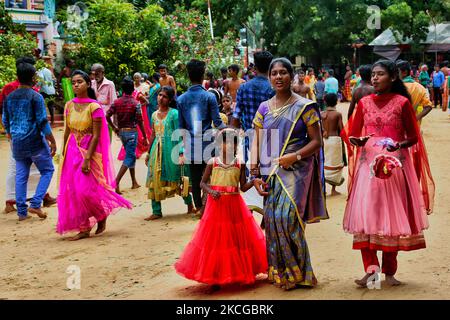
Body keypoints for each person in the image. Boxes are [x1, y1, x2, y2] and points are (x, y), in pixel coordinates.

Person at [342, 60, 434, 287]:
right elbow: (353, 134)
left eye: (379, 74)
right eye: (372, 74)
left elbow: (413, 137)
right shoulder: (363, 103)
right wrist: (357, 140)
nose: (374, 78)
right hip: (368, 168)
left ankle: (390, 272)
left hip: (394, 166)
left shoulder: (403, 103)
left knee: (392, 218)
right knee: (366, 217)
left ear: (392, 77)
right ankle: (371, 271)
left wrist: (398, 145)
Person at [251, 58, 328, 290]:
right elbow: (257, 142)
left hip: (298, 170)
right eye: (274, 73)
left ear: (291, 75)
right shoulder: (264, 107)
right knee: (273, 221)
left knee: (287, 218)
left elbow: (317, 142)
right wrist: (254, 173)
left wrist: (294, 157)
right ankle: (282, 272)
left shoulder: (305, 106)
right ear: (269, 77)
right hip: (270, 171)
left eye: (283, 72)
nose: (278, 77)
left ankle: (301, 273)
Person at [174, 128, 267, 289]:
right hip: (216, 207)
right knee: (216, 241)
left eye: (234, 142)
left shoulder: (240, 163)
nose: (230, 146)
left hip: (235, 206)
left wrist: (255, 181)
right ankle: (215, 276)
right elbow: (202, 183)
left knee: (236, 240)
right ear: (219, 144)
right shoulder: (213, 162)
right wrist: (211, 192)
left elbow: (243, 187)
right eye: (226, 142)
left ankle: (240, 273)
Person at [57, 70, 132, 240]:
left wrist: (87, 158)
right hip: (72, 151)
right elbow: (68, 131)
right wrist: (63, 153)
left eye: (79, 82)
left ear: (87, 84)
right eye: (74, 82)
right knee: (74, 191)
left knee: (86, 190)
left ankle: (100, 214)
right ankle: (84, 227)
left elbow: (97, 135)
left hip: (88, 151)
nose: (76, 85)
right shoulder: (69, 105)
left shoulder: (94, 107)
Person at [1, 57, 57, 214]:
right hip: (34, 141)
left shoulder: (10, 97)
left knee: (21, 175)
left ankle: (21, 212)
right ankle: (36, 202)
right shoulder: (35, 96)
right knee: (47, 170)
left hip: (17, 143)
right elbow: (42, 121)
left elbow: (5, 120)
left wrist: (12, 135)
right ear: (33, 78)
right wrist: (52, 141)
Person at [177, 59, 225, 215]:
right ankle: (209, 206)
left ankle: (199, 207)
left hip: (191, 144)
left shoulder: (181, 99)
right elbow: (218, 123)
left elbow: (181, 127)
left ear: (188, 75)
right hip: (208, 144)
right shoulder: (209, 97)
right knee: (211, 176)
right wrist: (231, 131)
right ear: (203, 74)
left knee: (196, 178)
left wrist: (182, 149)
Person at [145, 86, 195, 220]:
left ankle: (189, 204)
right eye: (160, 95)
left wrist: (181, 152)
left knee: (177, 176)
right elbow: (153, 134)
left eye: (164, 96)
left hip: (171, 149)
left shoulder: (174, 114)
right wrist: (149, 152)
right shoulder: (154, 115)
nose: (161, 98)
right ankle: (156, 211)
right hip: (157, 150)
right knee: (154, 178)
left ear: (170, 99)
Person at [107, 76, 148, 194]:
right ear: (132, 89)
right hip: (132, 132)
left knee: (131, 155)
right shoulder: (136, 103)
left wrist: (114, 128)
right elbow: (140, 121)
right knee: (130, 156)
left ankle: (134, 181)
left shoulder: (117, 102)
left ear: (123, 89)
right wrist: (145, 136)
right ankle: (116, 182)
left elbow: (107, 115)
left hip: (121, 133)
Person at [232, 51, 274, 167]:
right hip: (270, 138)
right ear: (271, 67)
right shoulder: (273, 89)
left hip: (250, 137)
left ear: (255, 67)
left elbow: (236, 116)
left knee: (252, 172)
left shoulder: (244, 87)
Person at [321, 93, 345, 195]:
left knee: (324, 162)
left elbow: (318, 127)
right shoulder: (337, 114)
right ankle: (333, 189)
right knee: (335, 163)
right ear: (336, 102)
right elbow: (342, 130)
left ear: (325, 102)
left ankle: (323, 189)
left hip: (324, 141)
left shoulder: (321, 113)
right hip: (335, 140)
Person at [397, 60, 432, 124]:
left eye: (396, 72)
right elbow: (428, 106)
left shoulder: (394, 87)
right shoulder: (420, 88)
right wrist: (416, 118)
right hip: (414, 126)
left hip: (397, 125)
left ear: (404, 72)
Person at [37, 56, 56, 124]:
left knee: (42, 105)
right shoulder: (48, 70)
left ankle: (44, 121)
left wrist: (37, 86)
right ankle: (52, 120)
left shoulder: (40, 70)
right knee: (51, 105)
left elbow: (40, 79)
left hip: (44, 90)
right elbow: (53, 80)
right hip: (51, 90)